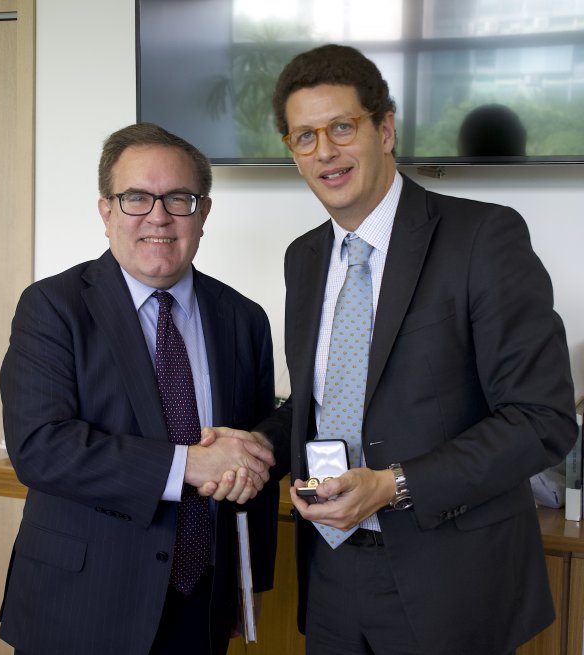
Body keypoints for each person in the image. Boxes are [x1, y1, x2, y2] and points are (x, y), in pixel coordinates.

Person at [207, 44, 577, 655]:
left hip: (450, 582)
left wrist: (395, 484)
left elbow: (542, 419)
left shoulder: (483, 237)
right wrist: (257, 444)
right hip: (330, 575)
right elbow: (320, 401)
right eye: (304, 136)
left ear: (385, 129)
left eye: (342, 127)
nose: (325, 150)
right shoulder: (304, 258)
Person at [0, 122, 278, 655]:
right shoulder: (53, 307)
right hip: (81, 605)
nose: (158, 216)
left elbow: (251, 453)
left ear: (204, 212)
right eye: (135, 198)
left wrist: (249, 580)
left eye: (178, 198)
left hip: (203, 602)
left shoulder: (244, 318)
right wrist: (186, 464)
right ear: (106, 211)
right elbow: (39, 447)